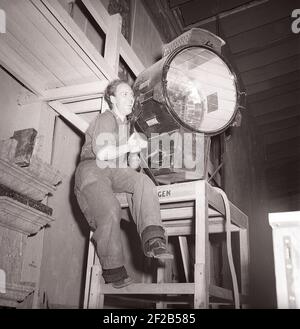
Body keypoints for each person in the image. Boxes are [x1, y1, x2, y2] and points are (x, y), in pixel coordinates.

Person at [74, 79, 173, 289]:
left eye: (131, 94)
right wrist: (128, 146)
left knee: (143, 181)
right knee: (110, 209)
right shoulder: (106, 118)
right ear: (112, 99)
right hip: (92, 169)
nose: (131, 98)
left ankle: (153, 237)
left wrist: (135, 155)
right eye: (125, 94)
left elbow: (131, 165)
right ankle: (114, 269)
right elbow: (102, 153)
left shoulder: (127, 127)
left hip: (113, 172)